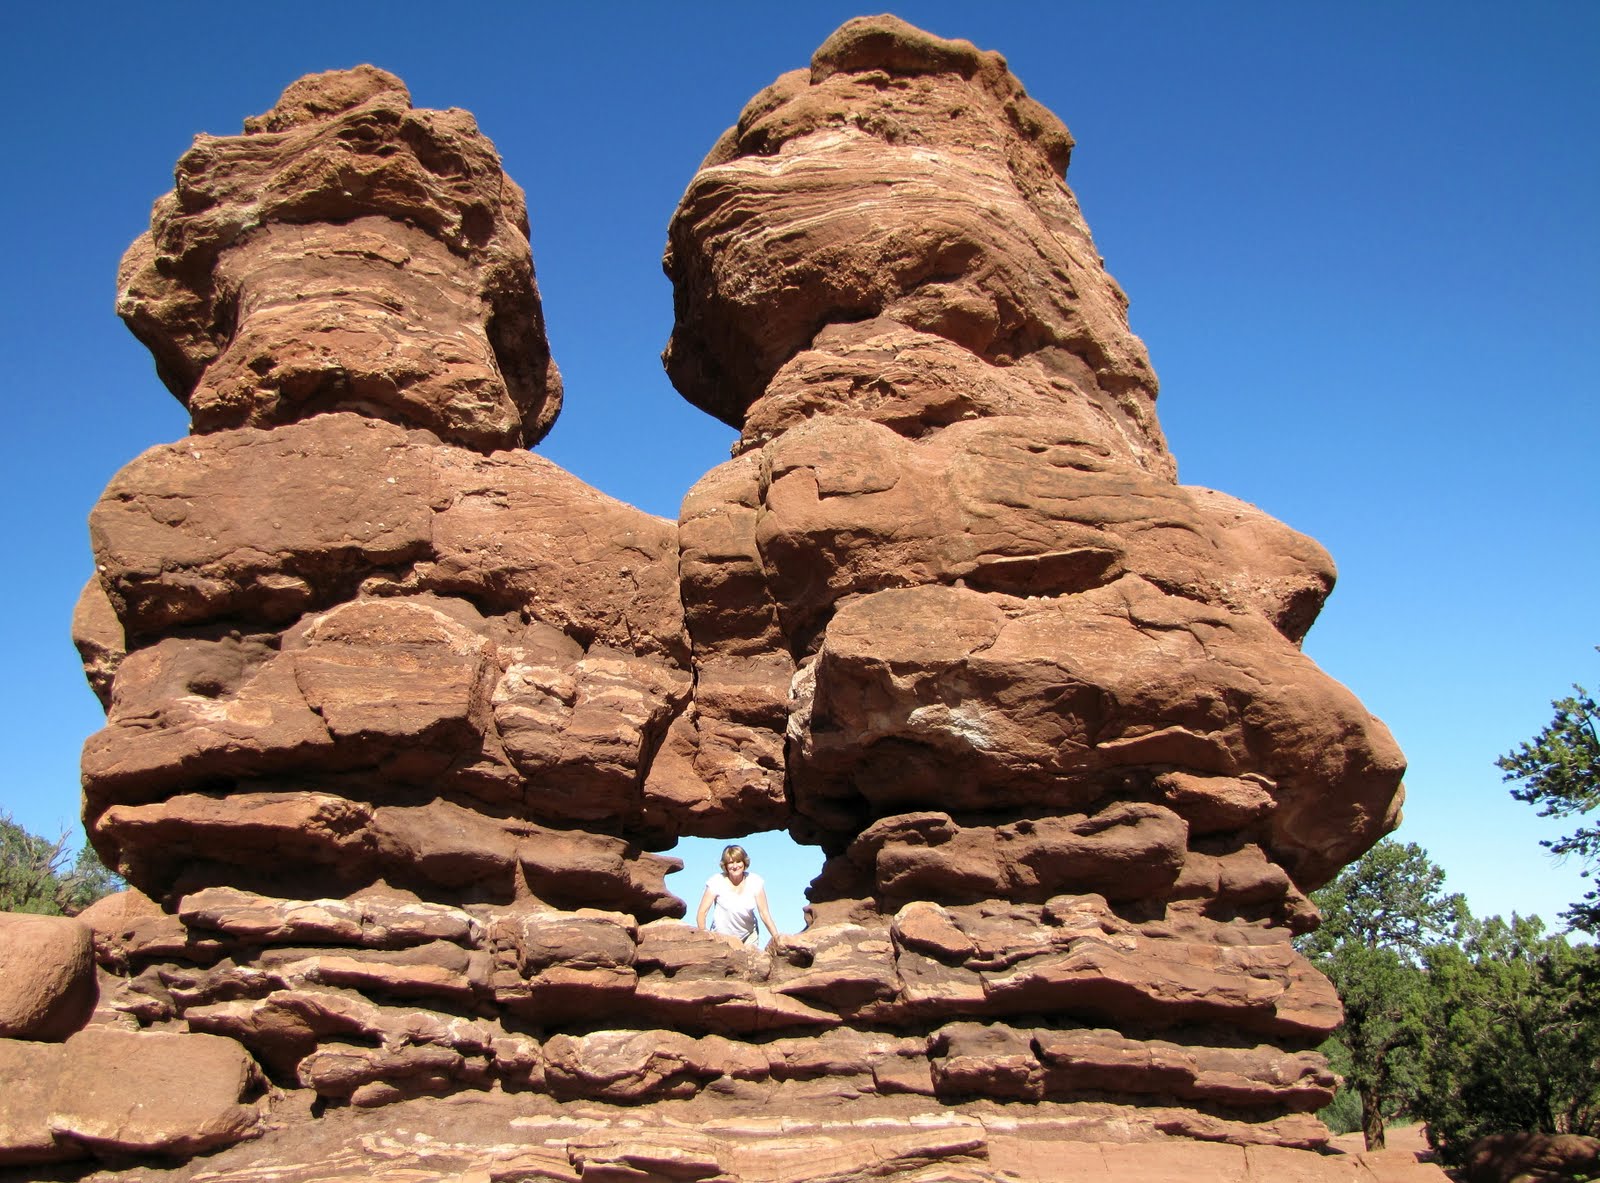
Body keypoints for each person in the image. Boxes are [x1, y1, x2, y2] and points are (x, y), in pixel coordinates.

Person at [695, 844, 780, 946]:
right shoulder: (716, 881)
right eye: (731, 862)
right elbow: (702, 913)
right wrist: (704, 938)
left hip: (748, 936)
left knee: (751, 961)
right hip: (721, 938)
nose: (735, 866)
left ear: (744, 863)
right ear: (725, 865)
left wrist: (777, 938)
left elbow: (764, 913)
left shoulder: (755, 881)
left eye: (738, 861)